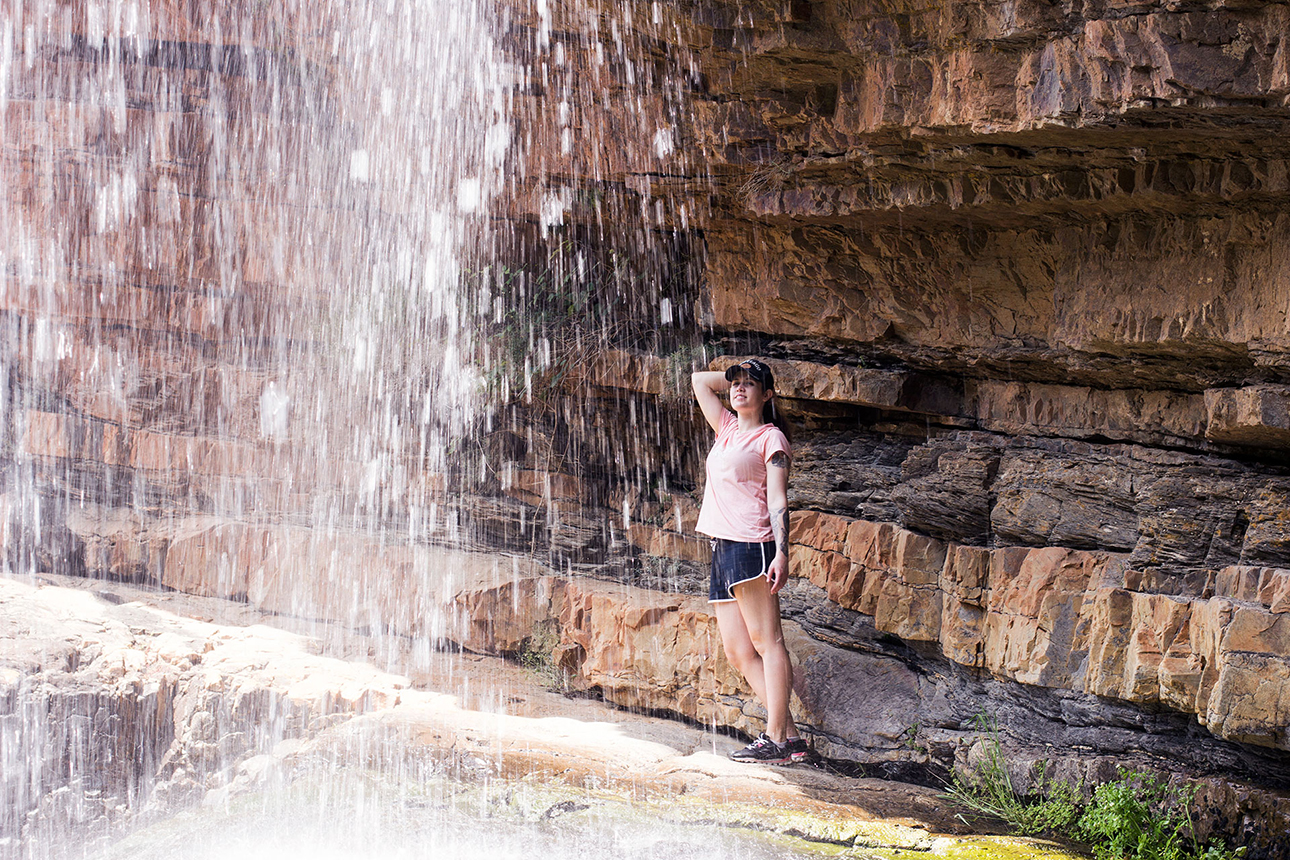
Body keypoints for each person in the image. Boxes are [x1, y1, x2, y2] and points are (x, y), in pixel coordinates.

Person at [692, 358, 811, 764]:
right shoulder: (725, 427)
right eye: (736, 384)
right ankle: (790, 737)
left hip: (753, 545)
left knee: (768, 642)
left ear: (768, 394)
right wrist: (733, 370)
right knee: (740, 652)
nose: (740, 389)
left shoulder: (770, 438)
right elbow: (698, 381)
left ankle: (775, 736)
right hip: (722, 547)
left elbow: (778, 499)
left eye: (750, 384)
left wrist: (782, 550)